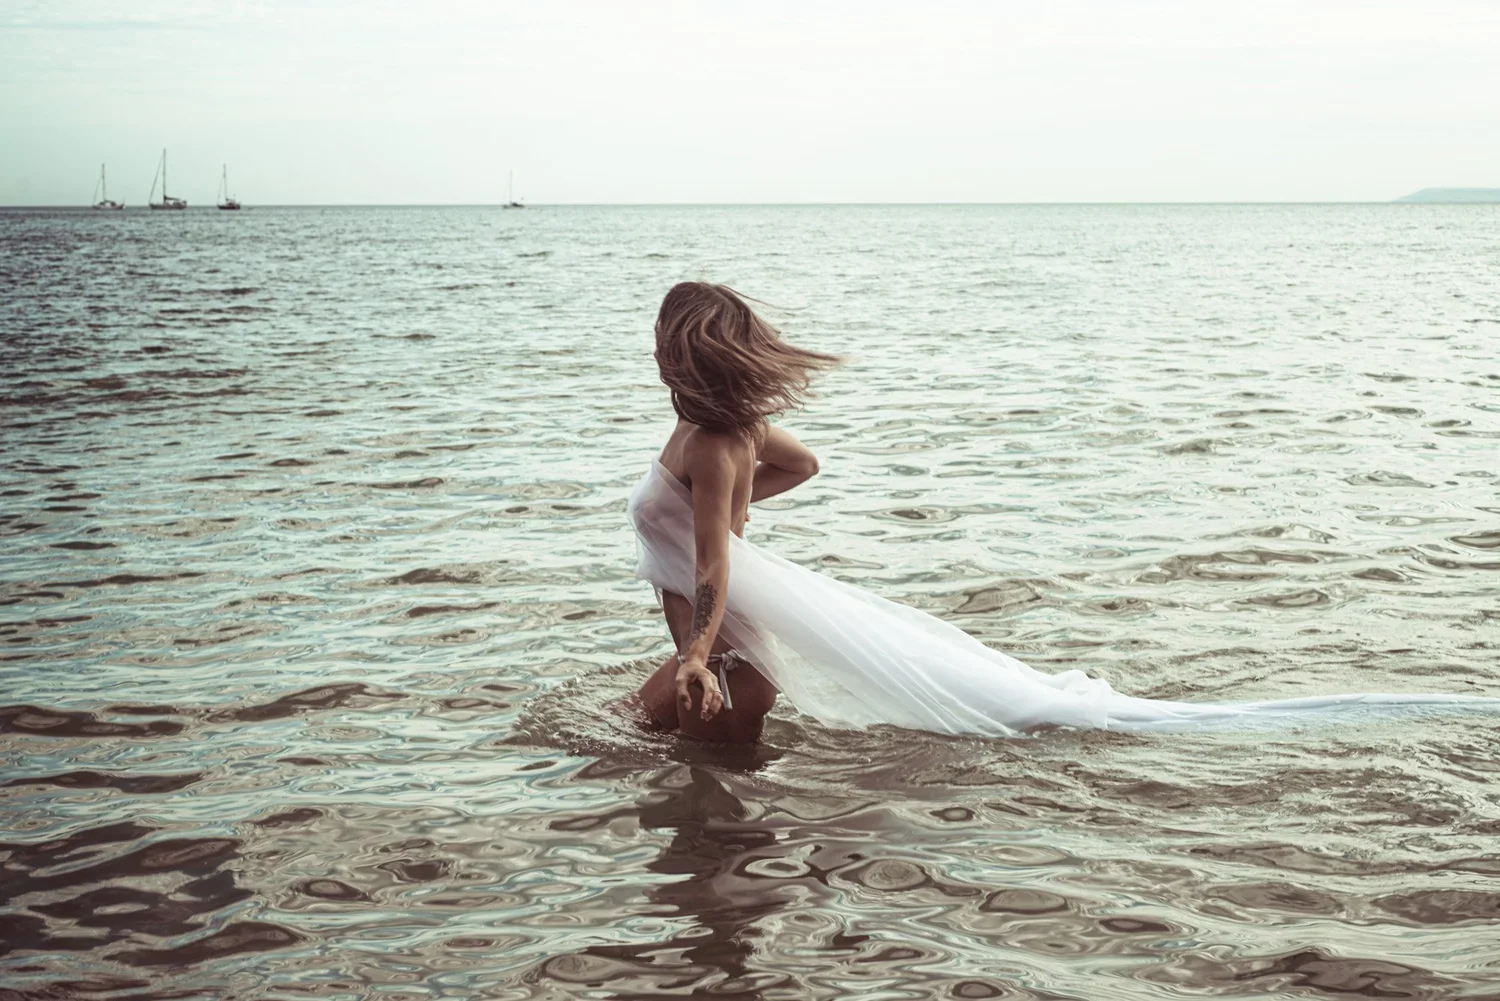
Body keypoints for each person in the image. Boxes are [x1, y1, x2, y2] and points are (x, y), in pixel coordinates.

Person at [625, 283, 1498, 744]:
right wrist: (736, 522)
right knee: (703, 801)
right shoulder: (735, 433)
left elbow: (709, 566)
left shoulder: (709, 442)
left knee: (674, 798)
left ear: (679, 350)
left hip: (724, 660)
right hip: (735, 656)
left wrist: (702, 633)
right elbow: (804, 466)